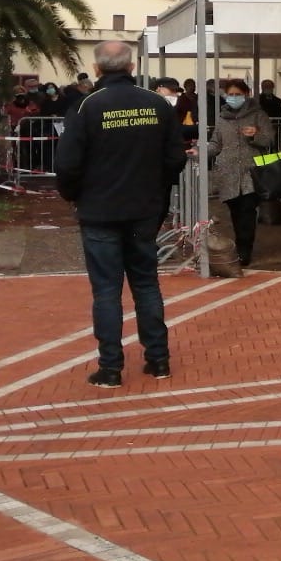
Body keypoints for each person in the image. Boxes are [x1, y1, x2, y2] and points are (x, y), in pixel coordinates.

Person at [53, 41, 185, 388]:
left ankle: (110, 367)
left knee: (106, 291)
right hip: (144, 210)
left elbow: (66, 163)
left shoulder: (85, 107)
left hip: (99, 212)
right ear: (131, 66)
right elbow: (176, 158)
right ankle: (158, 360)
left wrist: (74, 195)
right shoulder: (156, 103)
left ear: (97, 69)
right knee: (146, 284)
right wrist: (159, 191)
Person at [208, 78, 275, 268]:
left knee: (247, 211)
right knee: (235, 212)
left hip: (250, 171)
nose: (234, 97)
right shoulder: (222, 118)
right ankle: (240, 244)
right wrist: (201, 151)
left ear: (246, 94)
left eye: (238, 94)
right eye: (231, 94)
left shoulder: (258, 115)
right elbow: (216, 143)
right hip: (228, 172)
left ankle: (245, 250)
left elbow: (268, 139)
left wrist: (255, 134)